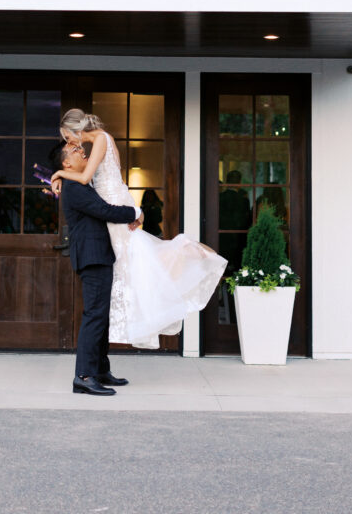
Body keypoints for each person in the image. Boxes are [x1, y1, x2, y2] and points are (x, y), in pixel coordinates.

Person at [52, 109, 228, 349]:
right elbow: (86, 177)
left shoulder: (101, 138)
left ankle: (187, 252)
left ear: (76, 131)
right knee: (134, 261)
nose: (70, 142)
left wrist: (59, 173)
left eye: (68, 137)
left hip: (114, 207)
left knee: (139, 259)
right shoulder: (99, 142)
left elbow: (83, 179)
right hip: (114, 205)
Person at [49, 139, 143, 397]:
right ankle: (84, 376)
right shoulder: (74, 188)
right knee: (94, 315)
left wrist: (56, 174)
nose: (82, 151)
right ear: (67, 163)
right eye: (75, 150)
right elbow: (105, 211)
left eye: (81, 147)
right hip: (92, 257)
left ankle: (101, 370)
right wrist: (136, 211)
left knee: (101, 314)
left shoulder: (80, 182)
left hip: (99, 255)